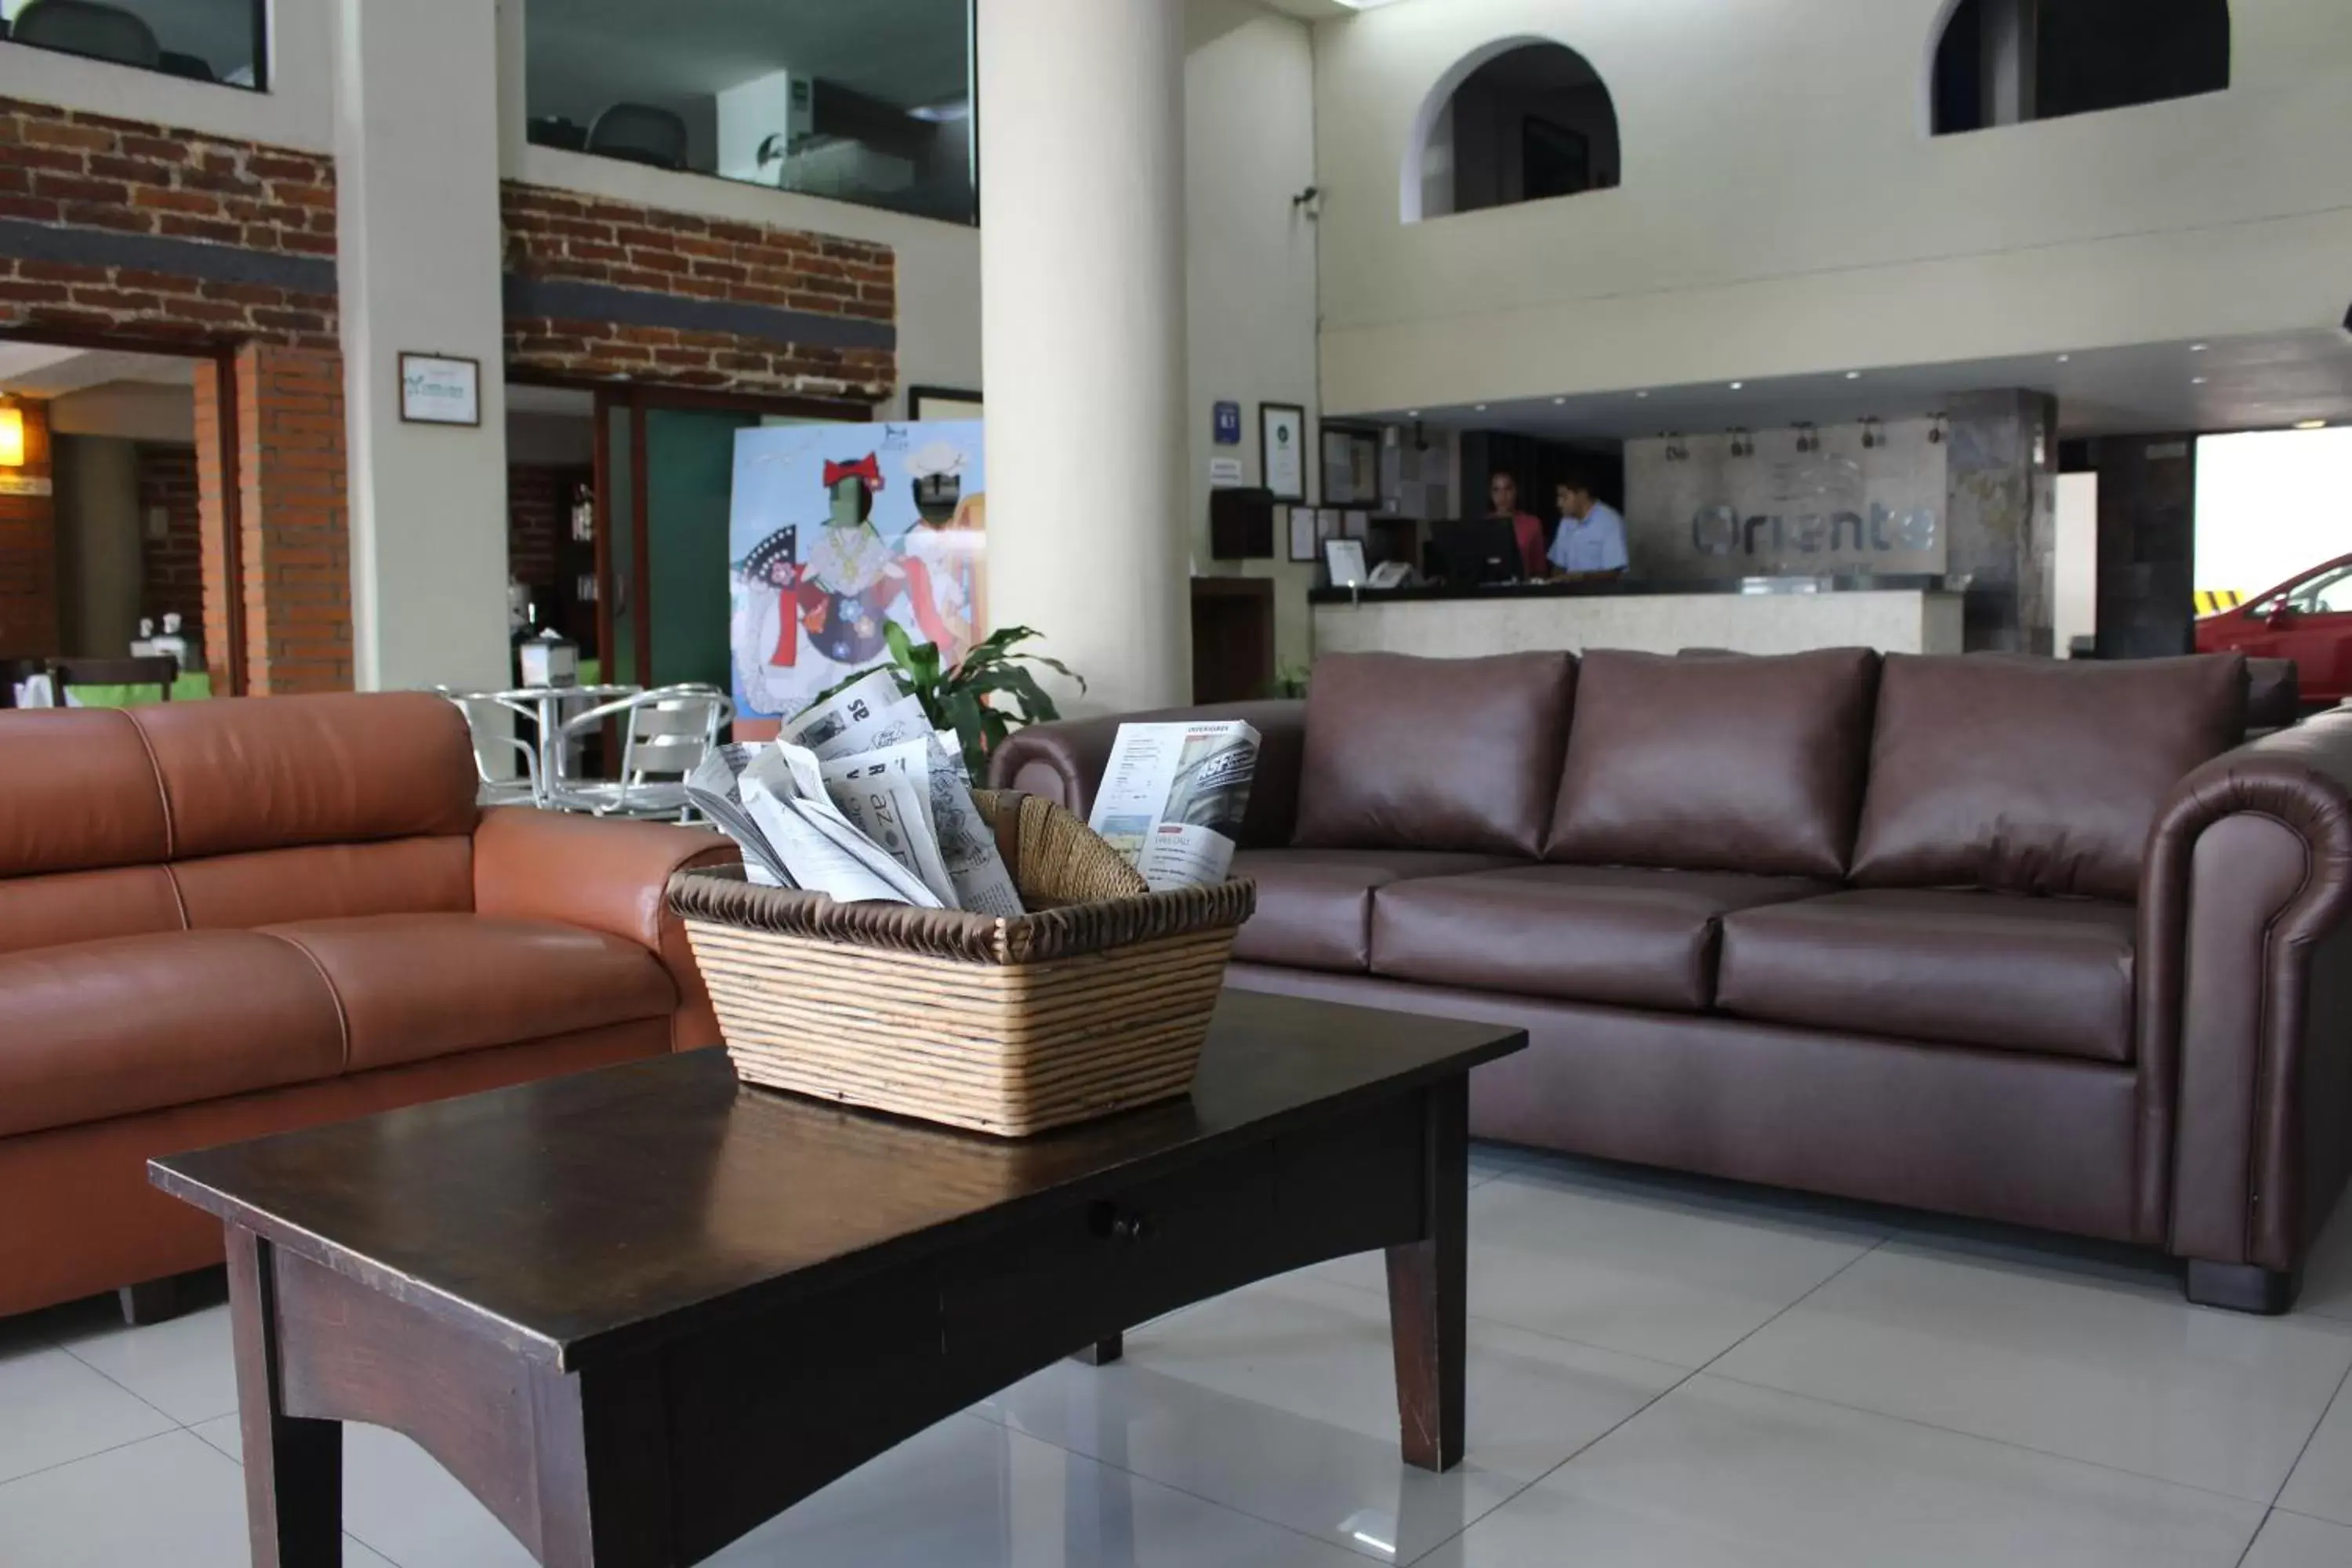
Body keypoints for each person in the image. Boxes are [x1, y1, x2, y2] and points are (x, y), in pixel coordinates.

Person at [1548, 476, 1630, 579]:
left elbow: (1614, 573)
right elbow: (1559, 565)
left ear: (1582, 495)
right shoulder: (1565, 522)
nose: (1559, 503)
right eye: (1558, 497)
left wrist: (1579, 578)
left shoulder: (1609, 522)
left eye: (1564, 497)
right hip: (1569, 593)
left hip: (1600, 594)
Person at [1486, 470, 1548, 581]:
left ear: (1515, 491)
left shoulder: (1532, 524)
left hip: (1521, 590)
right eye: (1496, 490)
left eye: (1507, 489)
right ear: (1491, 494)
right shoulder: (1483, 525)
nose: (1502, 496)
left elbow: (1539, 569)